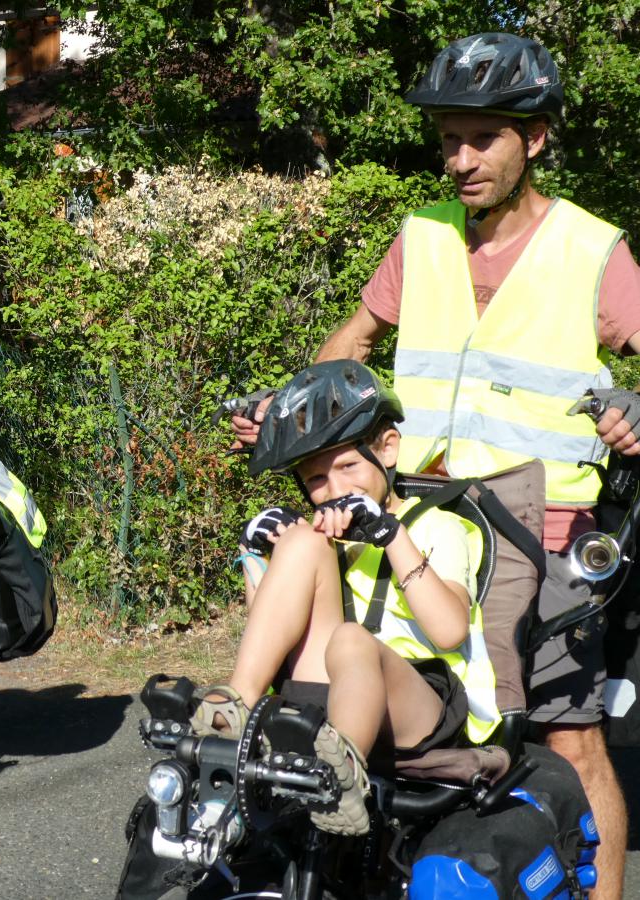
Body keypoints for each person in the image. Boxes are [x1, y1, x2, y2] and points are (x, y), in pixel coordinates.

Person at [233, 33, 639, 897]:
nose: (458, 159)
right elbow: (356, 337)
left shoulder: (590, 248)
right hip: (415, 520)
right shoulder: (420, 238)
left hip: (548, 533)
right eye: (447, 138)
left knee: (569, 740)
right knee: (373, 712)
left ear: (532, 139)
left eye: (480, 138)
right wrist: (293, 408)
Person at [198, 360, 491, 836]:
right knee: (300, 541)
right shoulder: (326, 535)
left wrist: (389, 533)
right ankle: (235, 710)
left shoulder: (438, 525)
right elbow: (271, 638)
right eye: (317, 480)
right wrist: (256, 554)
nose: (335, 491)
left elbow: (450, 630)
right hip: (333, 694)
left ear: (388, 448)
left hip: (419, 701)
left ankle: (341, 779)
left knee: (351, 640)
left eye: (349, 467)